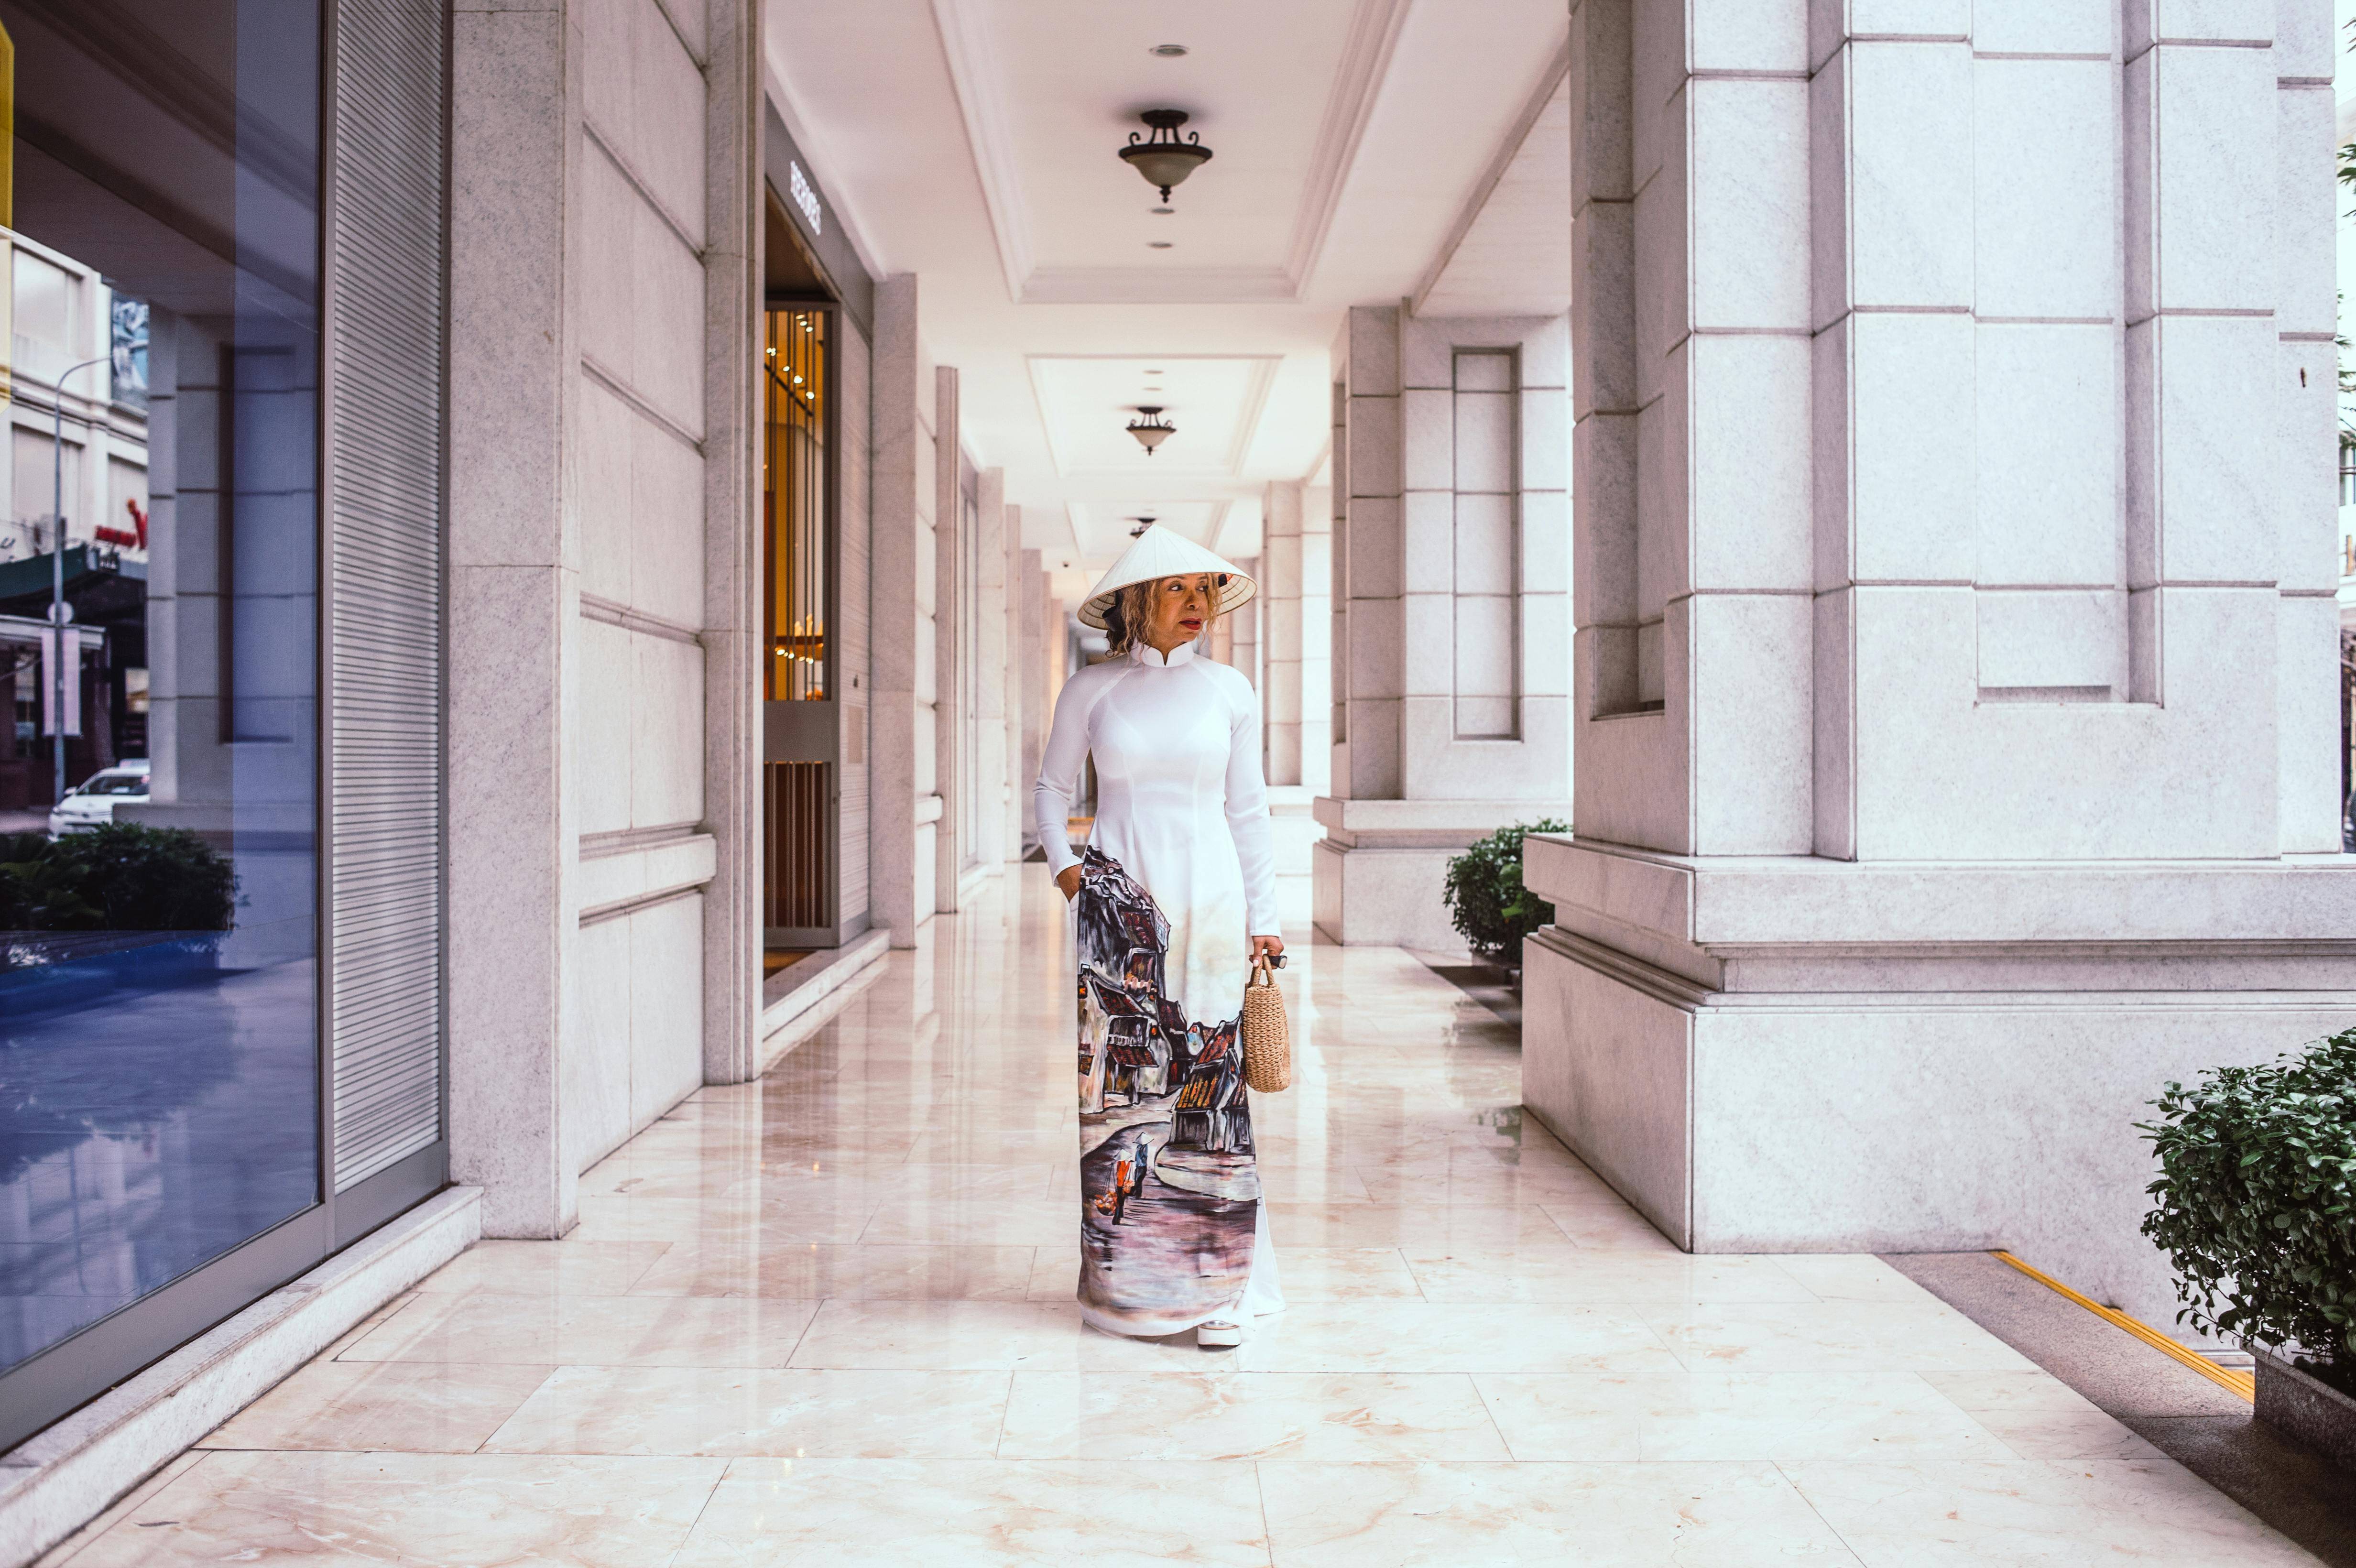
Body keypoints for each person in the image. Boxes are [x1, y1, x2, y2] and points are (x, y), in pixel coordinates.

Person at [1034, 525, 1286, 1349]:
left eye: (1207, 591)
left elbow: (1248, 812)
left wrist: (1266, 919)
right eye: (1178, 590)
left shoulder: (1231, 691)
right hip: (1118, 911)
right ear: (1139, 600)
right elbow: (1050, 788)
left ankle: (1223, 1293)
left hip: (1211, 904)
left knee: (1214, 1088)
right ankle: (1124, 1287)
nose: (1197, 606)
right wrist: (1071, 875)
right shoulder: (1094, 692)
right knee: (1120, 1094)